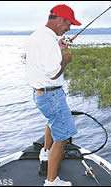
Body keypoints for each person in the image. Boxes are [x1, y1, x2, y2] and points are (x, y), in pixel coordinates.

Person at [25, 4, 81, 186]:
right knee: (63, 137)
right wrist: (65, 59)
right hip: (51, 95)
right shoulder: (47, 41)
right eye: (69, 24)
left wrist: (59, 46)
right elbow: (52, 73)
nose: (69, 28)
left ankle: (46, 152)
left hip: (41, 94)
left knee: (51, 122)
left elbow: (39, 61)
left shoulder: (38, 35)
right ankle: (52, 182)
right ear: (60, 20)